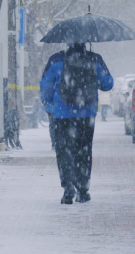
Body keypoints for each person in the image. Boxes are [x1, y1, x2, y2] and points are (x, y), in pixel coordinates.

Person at [40, 43, 114, 204]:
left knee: (64, 151)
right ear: (85, 42)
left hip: (62, 115)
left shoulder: (56, 60)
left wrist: (53, 103)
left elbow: (45, 87)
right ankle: (82, 190)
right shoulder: (95, 59)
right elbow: (108, 84)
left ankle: (68, 188)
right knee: (84, 151)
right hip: (86, 114)